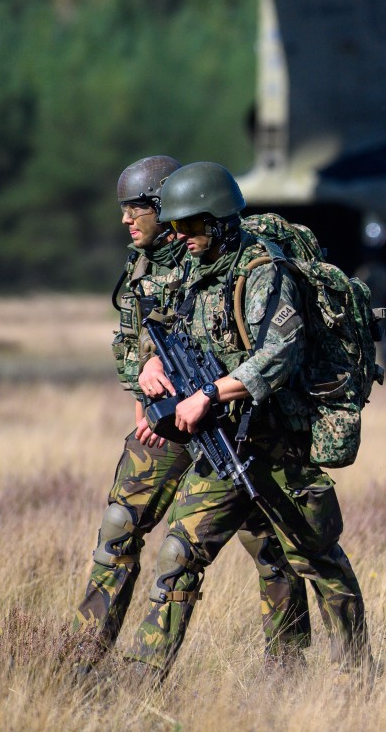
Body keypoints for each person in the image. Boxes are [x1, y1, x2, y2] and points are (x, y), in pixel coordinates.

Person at [120, 161, 369, 683]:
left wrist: (207, 395)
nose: (180, 236)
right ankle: (141, 681)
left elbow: (281, 352)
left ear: (219, 222)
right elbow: (158, 320)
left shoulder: (261, 272)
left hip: (276, 443)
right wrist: (150, 361)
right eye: (176, 226)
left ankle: (355, 675)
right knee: (177, 556)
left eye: (190, 226)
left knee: (316, 559)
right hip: (221, 443)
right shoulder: (195, 269)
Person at [73, 156, 309, 672]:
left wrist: (207, 393)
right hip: (164, 425)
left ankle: (289, 671)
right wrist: (144, 380)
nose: (126, 221)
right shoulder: (140, 265)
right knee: (118, 527)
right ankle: (83, 658)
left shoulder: (217, 254)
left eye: (136, 209)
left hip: (231, 421)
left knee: (271, 549)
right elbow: (135, 340)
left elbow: (259, 345)